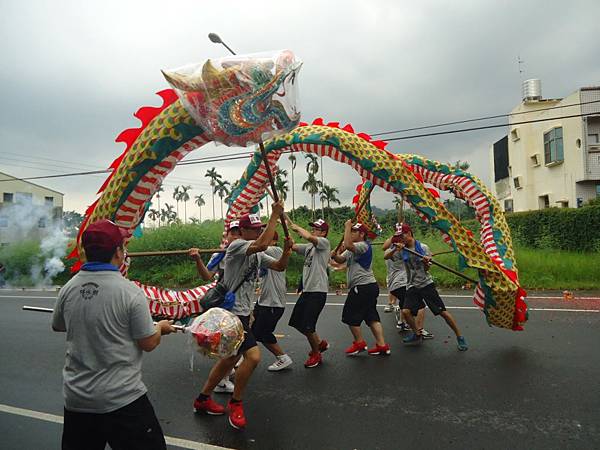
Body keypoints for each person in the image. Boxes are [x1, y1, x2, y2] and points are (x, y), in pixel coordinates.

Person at [52, 219, 176, 450]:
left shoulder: (68, 289)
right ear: (119, 252)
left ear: (85, 252)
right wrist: (161, 327)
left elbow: (58, 325)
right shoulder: (130, 292)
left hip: (77, 401)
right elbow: (148, 342)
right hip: (122, 400)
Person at [193, 202, 294, 430]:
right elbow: (261, 244)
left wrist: (286, 252)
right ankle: (236, 403)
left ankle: (202, 399)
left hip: (243, 313)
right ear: (242, 232)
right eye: (254, 229)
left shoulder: (257, 253)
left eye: (260, 228)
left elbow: (278, 266)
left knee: (229, 359)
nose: (258, 232)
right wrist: (275, 216)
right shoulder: (237, 245)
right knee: (254, 357)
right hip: (232, 315)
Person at [395, 223, 468, 351]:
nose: (401, 238)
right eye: (399, 236)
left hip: (426, 284)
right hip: (412, 285)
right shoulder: (402, 250)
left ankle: (460, 336)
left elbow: (427, 269)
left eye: (403, 235)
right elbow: (386, 255)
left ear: (409, 233)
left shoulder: (423, 247)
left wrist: (426, 262)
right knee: (406, 311)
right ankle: (417, 333)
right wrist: (397, 249)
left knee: (443, 313)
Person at [189, 220, 241, 394]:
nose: (236, 236)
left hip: (244, 302)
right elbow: (207, 275)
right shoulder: (219, 255)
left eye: (239, 233)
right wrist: (197, 259)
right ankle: (222, 381)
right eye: (232, 233)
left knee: (239, 341)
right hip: (228, 303)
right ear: (225, 237)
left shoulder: (249, 251)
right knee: (229, 340)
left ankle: (229, 368)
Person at [331, 221, 391, 356]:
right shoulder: (353, 248)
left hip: (362, 287)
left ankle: (359, 343)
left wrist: (346, 227)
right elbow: (341, 260)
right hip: (368, 287)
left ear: (362, 234)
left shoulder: (363, 246)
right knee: (371, 317)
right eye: (351, 231)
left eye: (354, 231)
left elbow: (347, 245)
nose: (351, 233)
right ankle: (382, 345)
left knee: (349, 315)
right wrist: (335, 255)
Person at [287, 218, 331, 368]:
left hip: (317, 291)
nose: (313, 231)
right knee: (296, 322)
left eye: (317, 229)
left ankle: (316, 353)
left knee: (307, 326)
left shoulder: (324, 243)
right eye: (313, 228)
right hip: (307, 291)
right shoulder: (309, 248)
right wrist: (289, 239)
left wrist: (298, 228)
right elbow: (293, 246)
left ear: (324, 232)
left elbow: (309, 237)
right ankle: (319, 343)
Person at [251, 231, 293, 371]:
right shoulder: (261, 254)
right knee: (251, 330)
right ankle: (242, 358)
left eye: (264, 237)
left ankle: (283, 358)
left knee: (263, 333)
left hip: (273, 303)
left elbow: (257, 247)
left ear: (274, 241)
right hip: (263, 301)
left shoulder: (276, 251)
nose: (260, 239)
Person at [383, 228, 433, 339]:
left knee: (405, 304)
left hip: (393, 284)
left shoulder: (391, 249)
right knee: (420, 306)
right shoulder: (398, 251)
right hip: (402, 282)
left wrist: (425, 256)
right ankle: (419, 330)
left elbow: (385, 248)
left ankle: (401, 322)